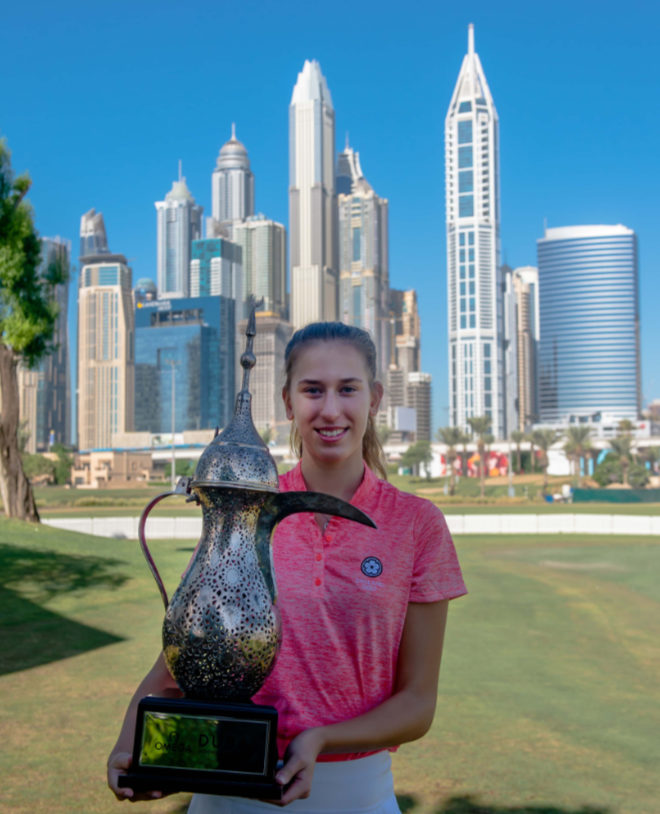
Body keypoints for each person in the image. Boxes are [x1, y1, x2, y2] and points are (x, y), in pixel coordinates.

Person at [107, 321, 467, 813]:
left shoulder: (416, 524)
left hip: (358, 797)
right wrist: (131, 746)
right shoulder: (244, 508)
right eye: (312, 390)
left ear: (375, 398)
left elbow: (418, 704)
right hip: (227, 792)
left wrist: (319, 739)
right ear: (287, 402)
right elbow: (179, 662)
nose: (330, 409)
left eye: (348, 389)